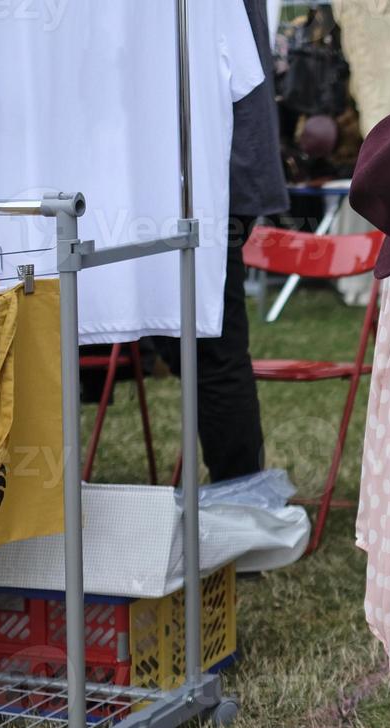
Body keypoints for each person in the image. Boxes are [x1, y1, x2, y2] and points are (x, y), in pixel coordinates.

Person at [155, 0, 290, 483]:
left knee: (210, 349)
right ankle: (240, 507)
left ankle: (241, 514)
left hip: (210, 178)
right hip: (195, 173)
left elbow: (240, 74)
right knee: (192, 348)